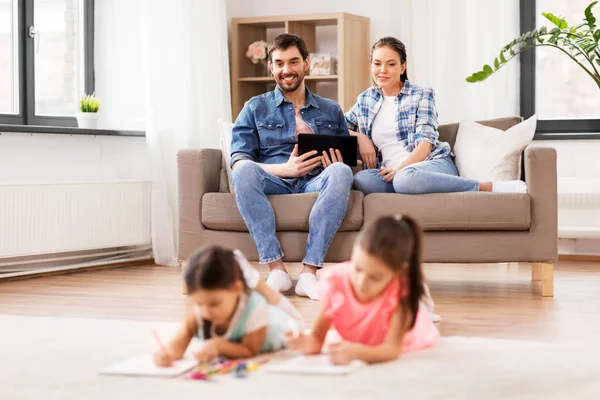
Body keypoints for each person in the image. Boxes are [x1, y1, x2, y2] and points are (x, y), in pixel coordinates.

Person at [230, 33, 354, 300]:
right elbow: (239, 160)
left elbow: (348, 158)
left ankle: (309, 274)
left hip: (315, 180)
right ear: (271, 67)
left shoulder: (331, 110)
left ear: (306, 64)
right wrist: (286, 169)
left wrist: (337, 163)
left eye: (293, 62)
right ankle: (277, 270)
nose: (286, 70)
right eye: (279, 63)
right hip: (275, 179)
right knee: (242, 171)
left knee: (341, 172)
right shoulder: (254, 108)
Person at [347, 36, 528, 195]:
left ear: (403, 67)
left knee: (405, 179)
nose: (382, 70)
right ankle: (414, 189)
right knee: (362, 180)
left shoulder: (421, 94)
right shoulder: (366, 99)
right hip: (390, 174)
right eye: (377, 63)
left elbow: (426, 144)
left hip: (431, 164)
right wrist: (360, 136)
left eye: (391, 64)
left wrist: (400, 170)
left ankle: (483, 187)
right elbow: (340, 124)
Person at [285, 215, 440, 365]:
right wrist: (304, 343)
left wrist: (358, 353)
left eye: (375, 278)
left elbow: (391, 349)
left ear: (397, 273)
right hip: (360, 335)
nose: (362, 283)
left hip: (401, 332)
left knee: (418, 309)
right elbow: (317, 339)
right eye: (358, 269)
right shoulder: (337, 283)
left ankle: (423, 305)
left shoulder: (399, 292)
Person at [153, 246, 301, 366]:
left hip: (277, 326)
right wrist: (168, 353)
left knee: (295, 326)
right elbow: (181, 339)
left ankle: (254, 279)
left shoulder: (255, 309)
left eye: (214, 304)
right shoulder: (200, 308)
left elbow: (250, 350)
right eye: (199, 303)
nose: (205, 311)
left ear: (236, 289)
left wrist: (219, 346)